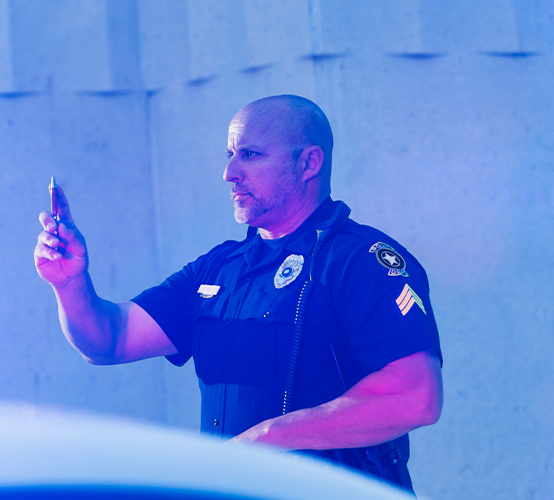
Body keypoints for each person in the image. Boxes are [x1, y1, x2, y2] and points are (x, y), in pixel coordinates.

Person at [34, 95, 442, 492]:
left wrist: (270, 438)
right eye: (229, 155)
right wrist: (70, 285)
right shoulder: (219, 268)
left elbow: (416, 396)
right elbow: (108, 340)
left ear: (308, 163)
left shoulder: (361, 261)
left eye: (250, 155)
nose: (229, 173)